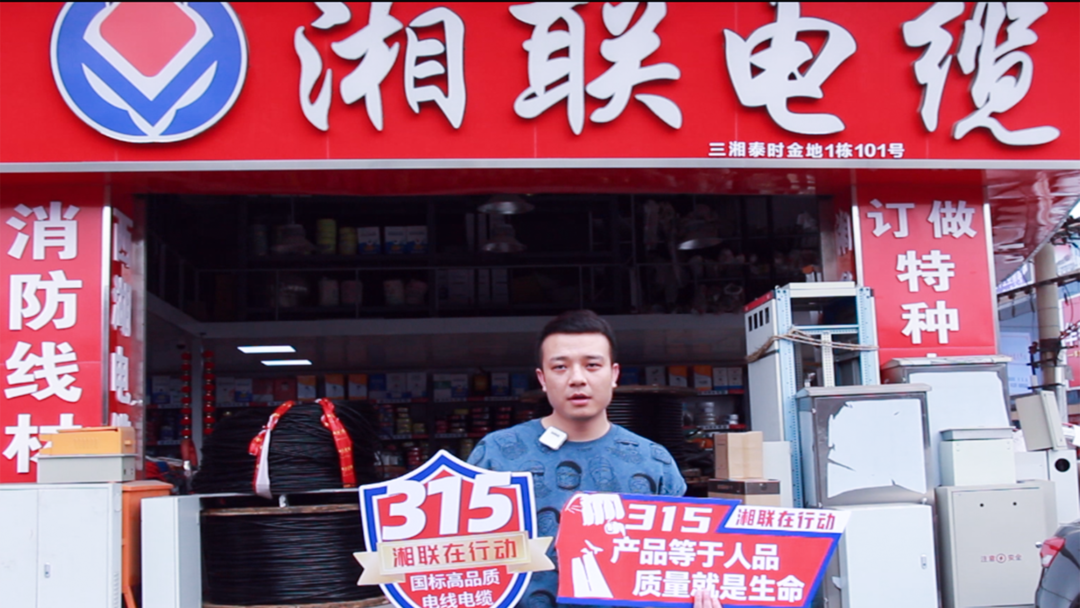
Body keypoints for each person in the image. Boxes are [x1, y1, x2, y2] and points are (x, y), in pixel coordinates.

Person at [467, 310, 687, 607]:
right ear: (542, 379)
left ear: (614, 374)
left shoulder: (654, 461)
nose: (577, 379)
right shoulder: (496, 453)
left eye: (592, 365)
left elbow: (676, 559)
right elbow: (465, 554)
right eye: (560, 367)